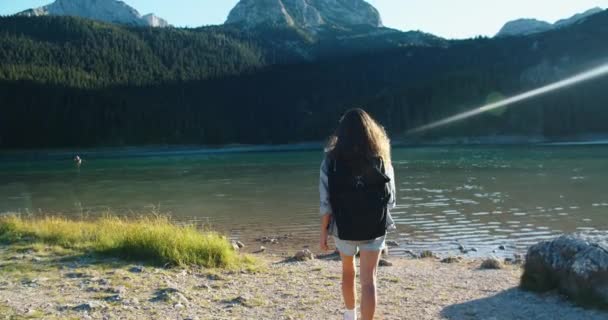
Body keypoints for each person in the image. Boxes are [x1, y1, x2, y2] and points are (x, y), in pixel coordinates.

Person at [319, 108, 396, 320]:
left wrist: (323, 233)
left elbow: (326, 204)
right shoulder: (381, 159)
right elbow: (391, 199)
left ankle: (349, 316)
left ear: (341, 133)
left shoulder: (330, 161)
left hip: (343, 227)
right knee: (369, 280)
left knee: (347, 272)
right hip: (375, 226)